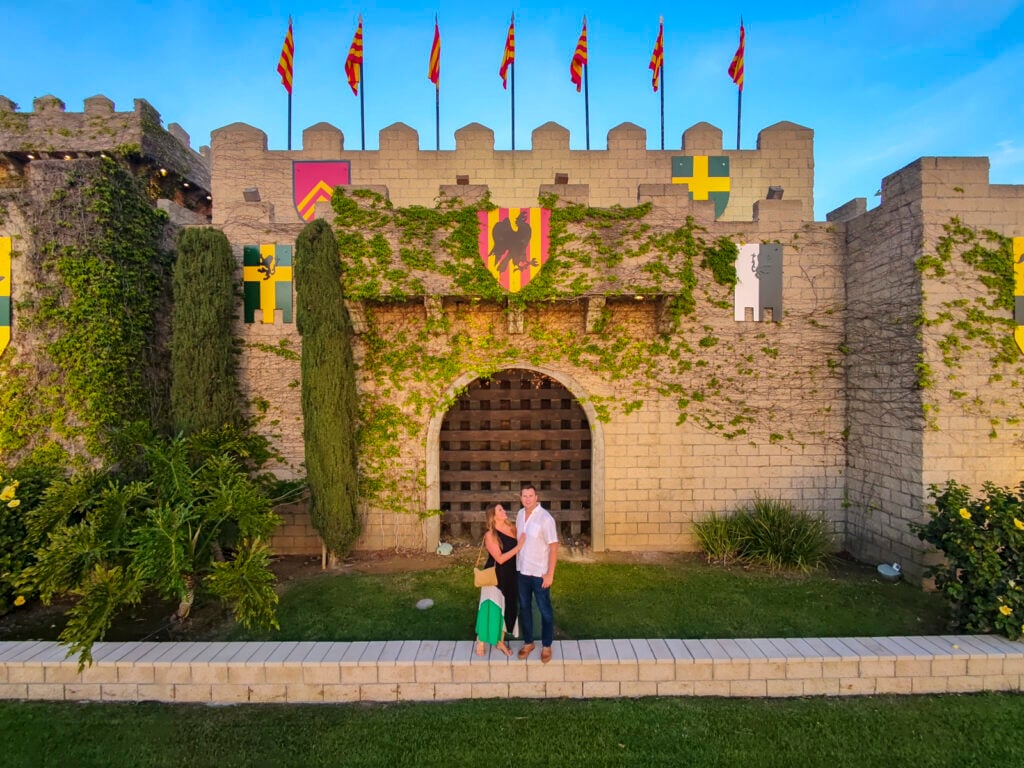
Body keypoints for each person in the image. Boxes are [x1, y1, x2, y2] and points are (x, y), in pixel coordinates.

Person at [515, 484, 559, 663]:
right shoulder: (519, 515)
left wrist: (550, 574)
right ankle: (529, 643)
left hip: (540, 573)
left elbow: (554, 547)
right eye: (524, 496)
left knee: (544, 610)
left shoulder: (545, 518)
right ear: (521, 498)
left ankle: (547, 645)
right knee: (524, 608)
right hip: (522, 571)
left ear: (536, 497)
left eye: (530, 496)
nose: (527, 499)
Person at [475, 503, 524, 657]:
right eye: (500, 510)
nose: (504, 511)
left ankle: (500, 641)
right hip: (495, 576)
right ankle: (481, 640)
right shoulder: (490, 535)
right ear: (493, 516)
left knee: (507, 608)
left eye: (503, 509)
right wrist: (519, 547)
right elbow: (500, 559)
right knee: (491, 608)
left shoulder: (512, 528)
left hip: (511, 574)